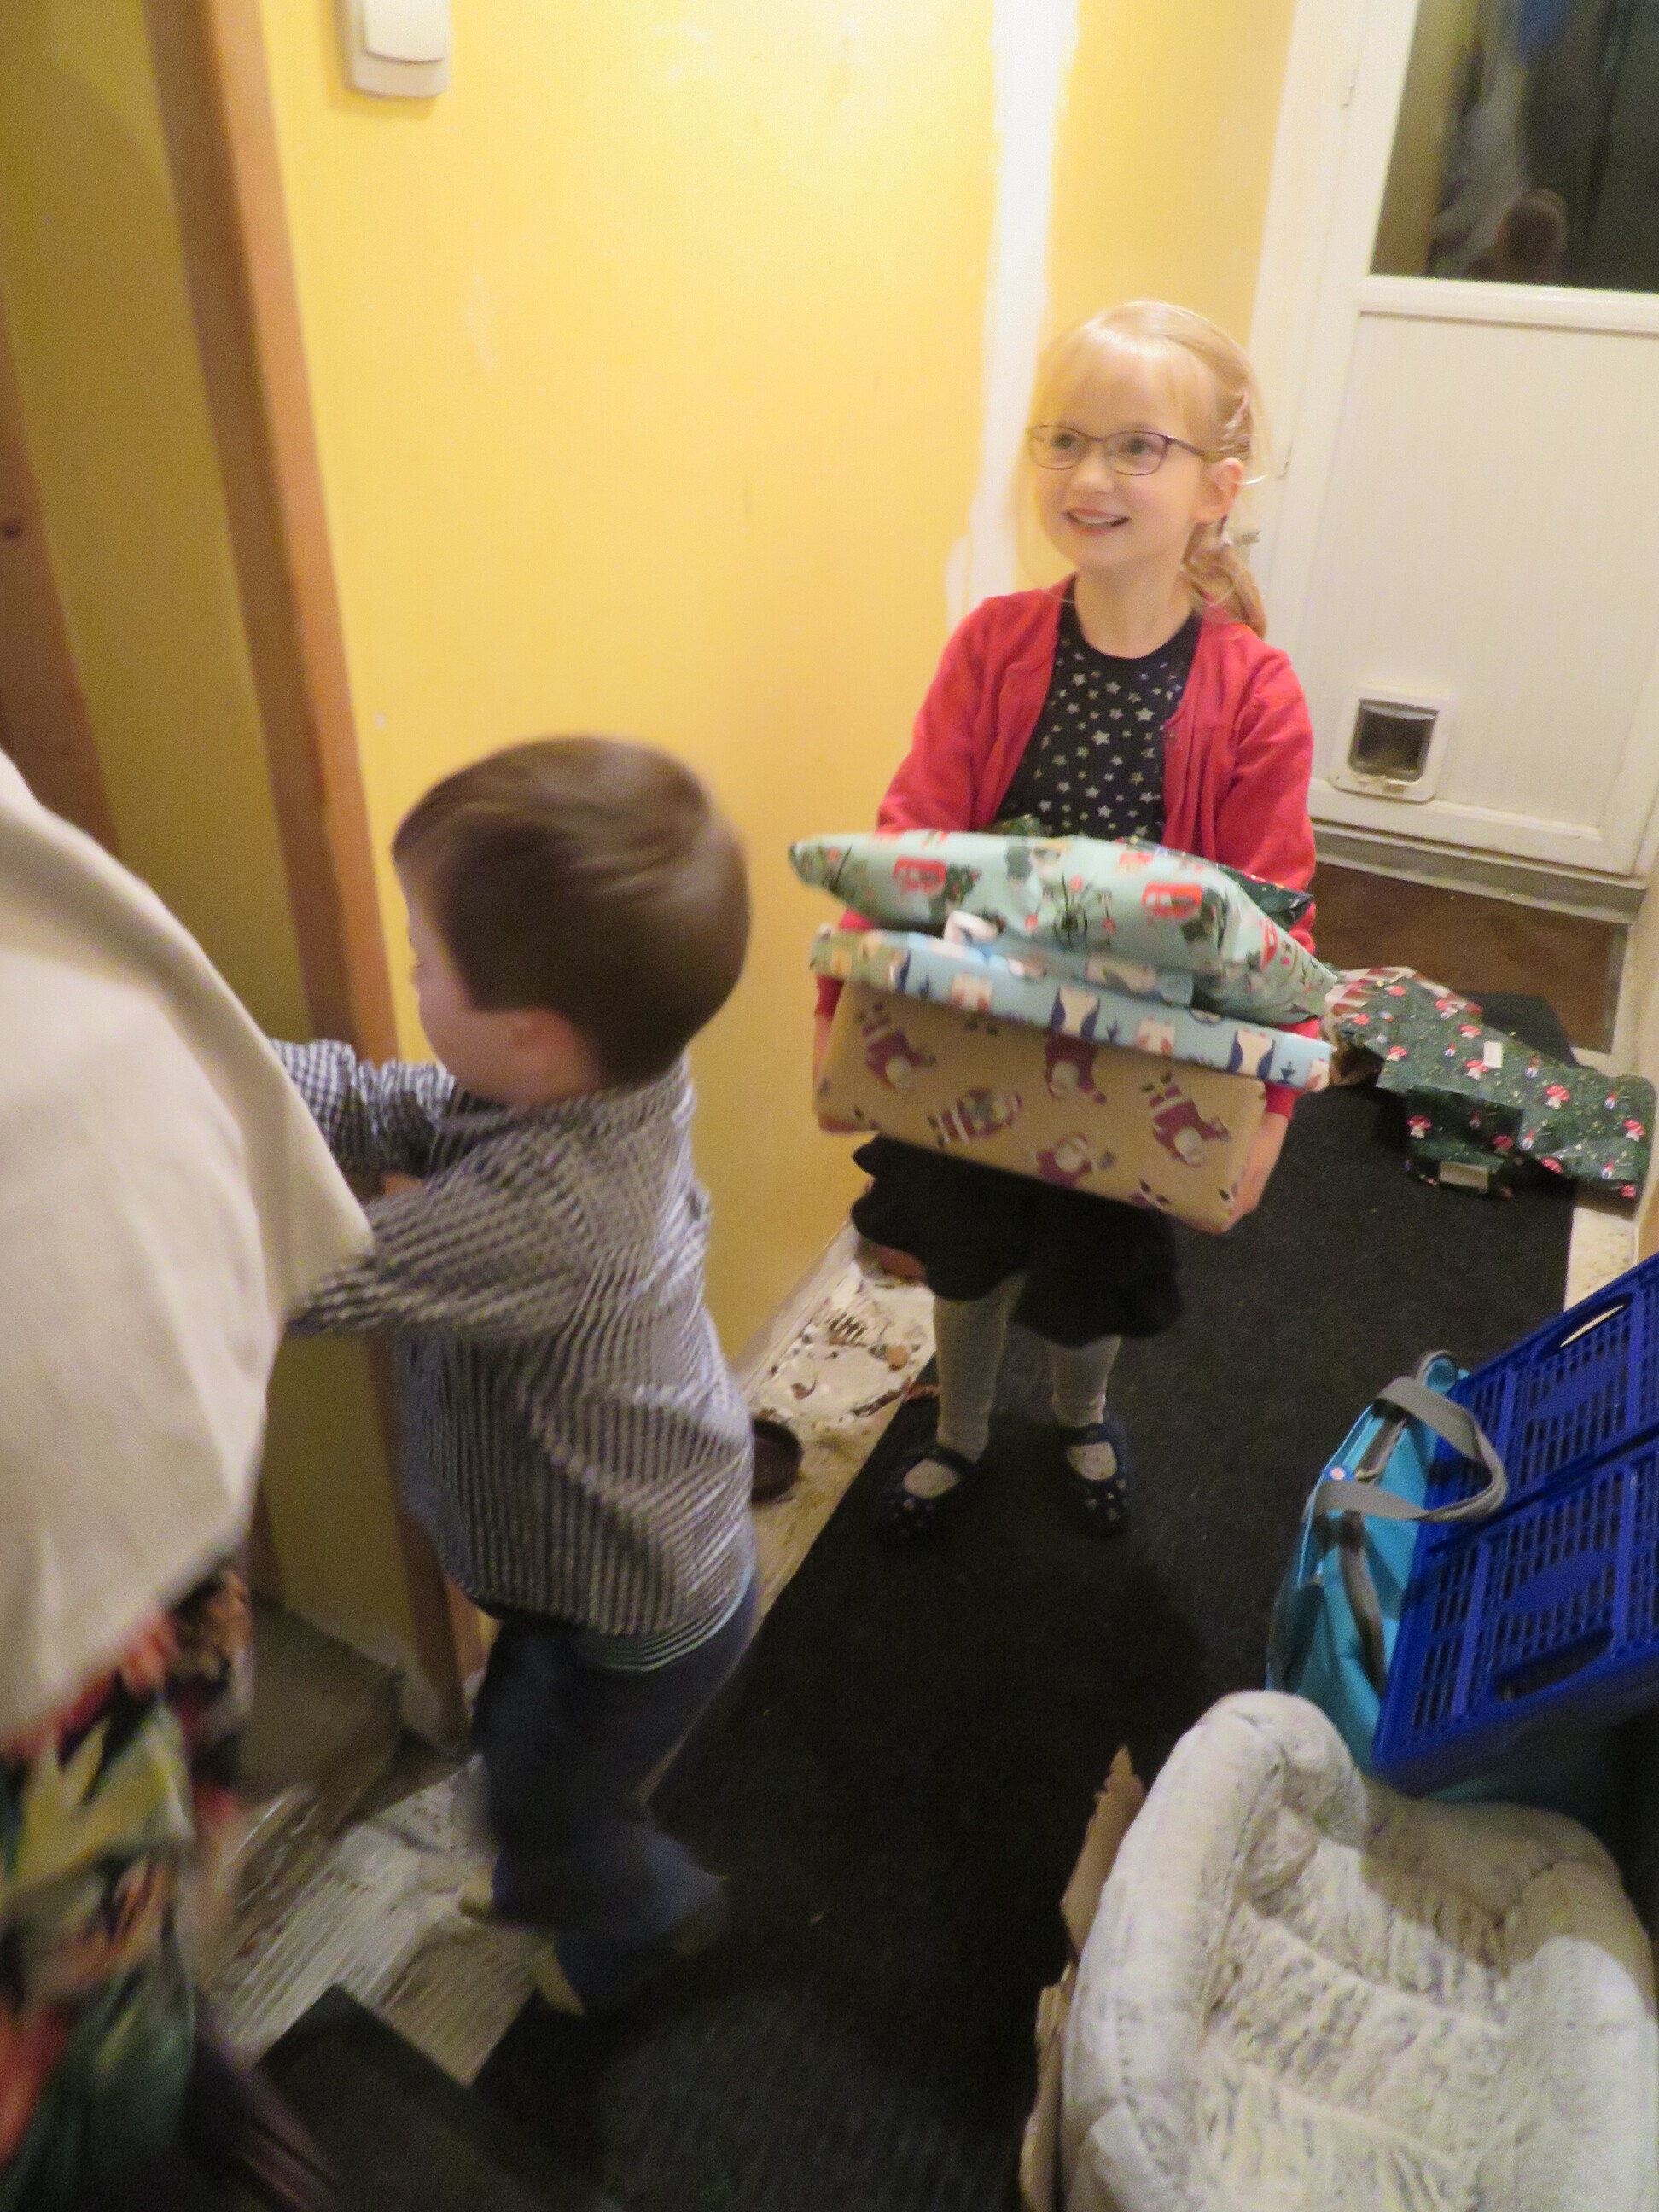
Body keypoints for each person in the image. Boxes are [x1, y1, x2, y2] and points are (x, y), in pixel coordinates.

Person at [813, 302, 1317, 1543]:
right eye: (1063, 440)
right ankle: (960, 1431)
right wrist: (841, 1025)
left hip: (1139, 1070)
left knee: (1092, 1277)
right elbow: (907, 845)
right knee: (968, 1257)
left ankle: (1084, 1417)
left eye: (1137, 447)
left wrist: (1269, 1115)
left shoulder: (1255, 691)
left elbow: (1274, 921)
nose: (1090, 477)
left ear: (1217, 489)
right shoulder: (993, 646)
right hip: (976, 1044)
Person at [275, 736, 757, 2019]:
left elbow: (300, 1275)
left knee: (545, 1806)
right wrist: (213, 1066)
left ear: (533, 1037)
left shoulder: (553, 1212)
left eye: (423, 960)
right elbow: (392, 1107)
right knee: (522, 1745)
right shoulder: (598, 1076)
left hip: (640, 1603)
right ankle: (558, 1855)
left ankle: (640, 1916)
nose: (410, 975)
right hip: (580, 1572)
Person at [0, 753, 365, 2210]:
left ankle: (141, 2074)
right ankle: (155, 2054)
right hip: (130, 1340)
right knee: (151, 1794)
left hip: (85, 1504)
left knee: (117, 1865)